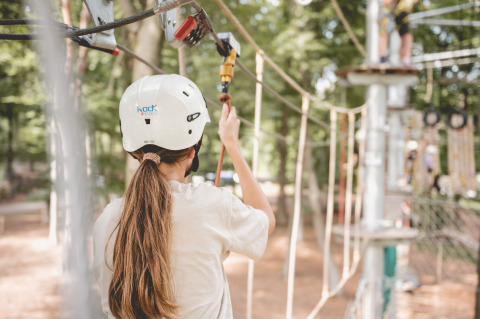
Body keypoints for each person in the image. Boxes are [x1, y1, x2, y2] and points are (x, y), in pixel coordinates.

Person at [93, 74, 275, 319]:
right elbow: (266, 221)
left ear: (134, 150)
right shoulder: (211, 205)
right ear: (192, 151)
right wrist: (231, 144)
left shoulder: (106, 221)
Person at [379, 0, 418, 67]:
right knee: (384, 32)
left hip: (402, 9)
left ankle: (405, 60)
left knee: (406, 34)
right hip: (388, 8)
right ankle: (383, 59)